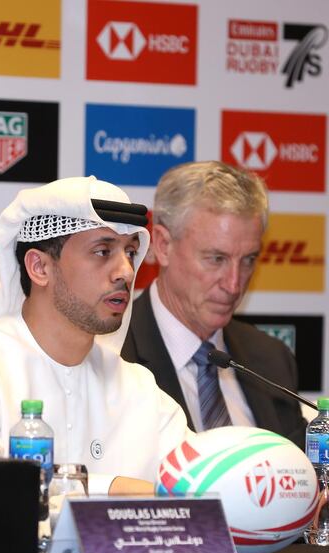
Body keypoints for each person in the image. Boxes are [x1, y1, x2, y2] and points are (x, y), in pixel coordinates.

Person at [0, 177, 191, 494]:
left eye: (130, 252)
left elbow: (200, 487)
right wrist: (110, 488)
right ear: (39, 267)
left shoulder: (139, 388)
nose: (125, 271)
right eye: (102, 251)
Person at [122, 161, 306, 447]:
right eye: (216, 259)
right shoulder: (114, 355)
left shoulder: (271, 360)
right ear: (162, 245)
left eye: (248, 260)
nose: (234, 284)